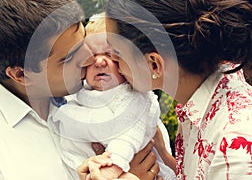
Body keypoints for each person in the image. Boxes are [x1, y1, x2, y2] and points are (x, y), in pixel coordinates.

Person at [0, 0, 160, 180]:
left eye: (84, 39)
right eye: (69, 57)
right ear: (22, 74)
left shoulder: (104, 91)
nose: (90, 58)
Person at [79, 0, 252, 180]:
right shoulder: (200, 106)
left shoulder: (235, 145)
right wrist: (163, 155)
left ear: (154, 65)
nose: (111, 63)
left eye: (116, 53)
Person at [51, 13, 176, 180]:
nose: (100, 62)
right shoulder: (76, 95)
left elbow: (128, 136)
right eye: (93, 55)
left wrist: (114, 165)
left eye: (110, 55)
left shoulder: (135, 98)